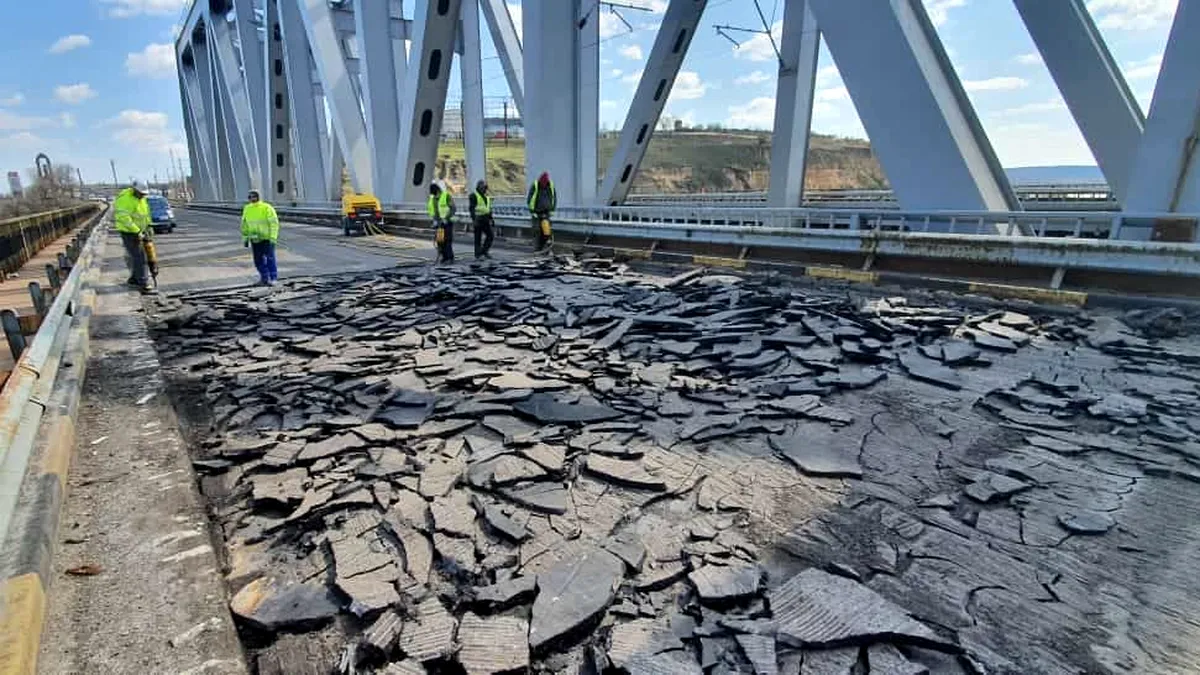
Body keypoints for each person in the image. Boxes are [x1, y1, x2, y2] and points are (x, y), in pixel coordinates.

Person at [113, 180, 153, 293]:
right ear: (135, 190)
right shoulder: (125, 199)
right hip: (129, 232)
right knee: (140, 257)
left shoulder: (141, 198)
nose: (143, 195)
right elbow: (123, 218)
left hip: (140, 230)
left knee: (139, 255)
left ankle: (134, 279)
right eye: (141, 193)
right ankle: (143, 283)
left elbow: (146, 214)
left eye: (144, 194)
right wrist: (136, 231)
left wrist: (149, 226)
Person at [241, 189, 280, 285]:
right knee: (258, 260)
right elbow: (244, 224)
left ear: (258, 197)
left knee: (270, 258)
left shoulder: (266, 207)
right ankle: (264, 278)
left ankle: (273, 278)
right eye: (250, 197)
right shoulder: (247, 208)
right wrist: (245, 238)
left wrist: (273, 237)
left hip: (267, 238)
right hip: (254, 238)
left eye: (254, 196)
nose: (252, 198)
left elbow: (274, 223)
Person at [527, 172, 556, 252]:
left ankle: (544, 248)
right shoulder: (535, 185)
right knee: (537, 231)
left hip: (546, 212)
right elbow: (530, 199)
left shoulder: (550, 185)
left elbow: (554, 198)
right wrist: (532, 211)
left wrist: (552, 209)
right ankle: (537, 249)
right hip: (536, 213)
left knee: (546, 232)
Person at [428, 181, 455, 263]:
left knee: (447, 240)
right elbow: (434, 211)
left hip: (447, 222)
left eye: (435, 193)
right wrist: (435, 220)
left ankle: (450, 258)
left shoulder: (446, 196)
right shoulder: (433, 199)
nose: (434, 195)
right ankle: (444, 257)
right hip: (440, 224)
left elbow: (453, 208)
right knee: (440, 241)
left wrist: (446, 218)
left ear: (438, 190)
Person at [468, 179, 495, 259]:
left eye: (485, 187)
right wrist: (474, 220)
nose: (485, 189)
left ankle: (484, 251)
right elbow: (471, 209)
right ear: (479, 187)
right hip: (478, 219)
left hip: (486, 219)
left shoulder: (487, 197)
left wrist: (491, 219)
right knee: (478, 238)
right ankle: (478, 255)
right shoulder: (474, 195)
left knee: (490, 236)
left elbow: (488, 209)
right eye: (483, 187)